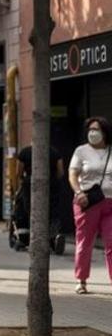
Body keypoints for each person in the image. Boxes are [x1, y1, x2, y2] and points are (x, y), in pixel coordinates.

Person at [69, 116, 112, 294]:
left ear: (105, 133)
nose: (92, 133)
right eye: (90, 129)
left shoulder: (111, 151)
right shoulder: (81, 151)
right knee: (85, 242)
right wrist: (79, 193)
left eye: (97, 129)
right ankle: (81, 280)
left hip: (110, 202)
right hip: (87, 202)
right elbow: (72, 174)